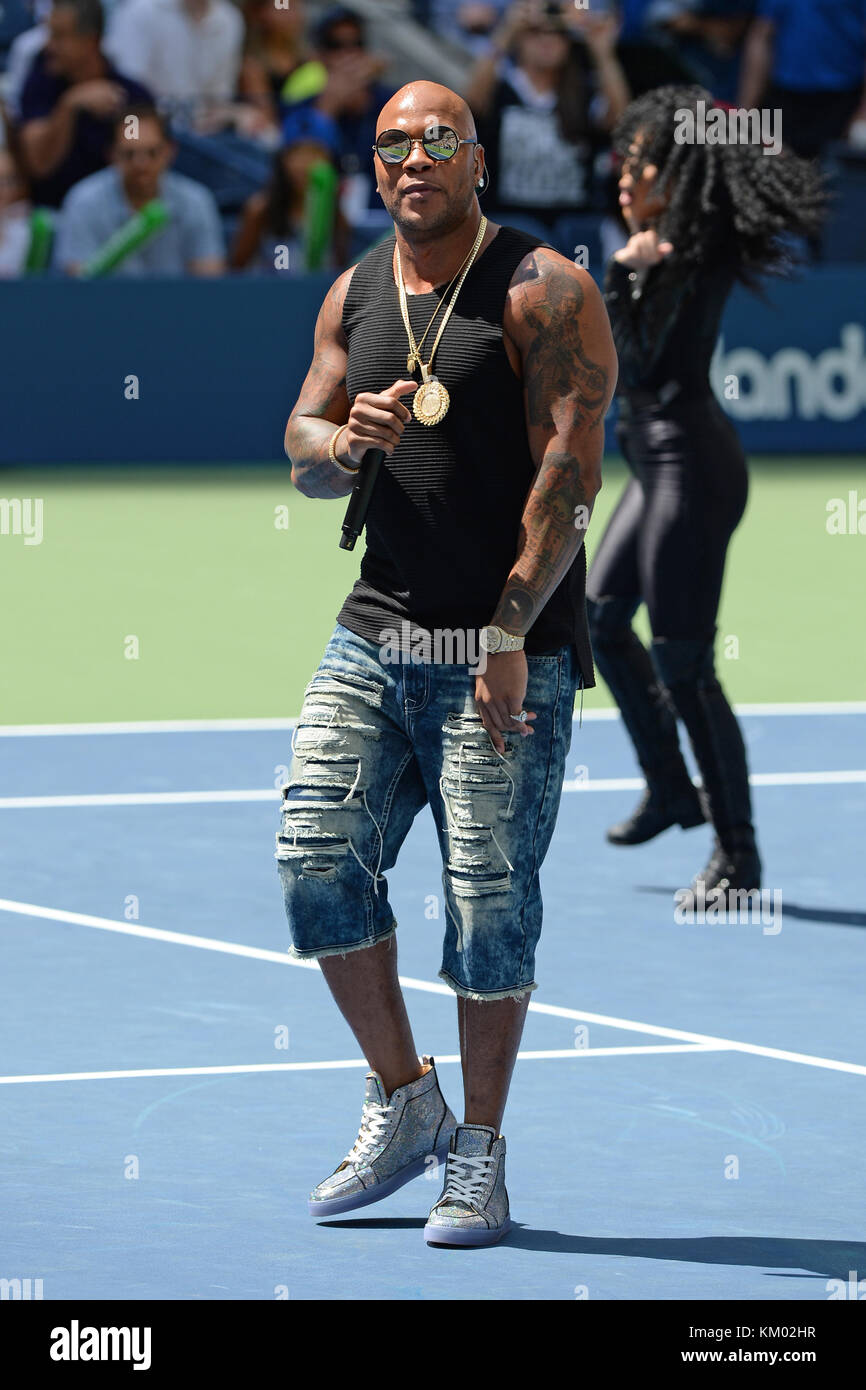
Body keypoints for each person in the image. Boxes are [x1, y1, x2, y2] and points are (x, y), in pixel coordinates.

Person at [279, 80, 616, 1246]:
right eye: (390, 145)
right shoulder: (355, 291)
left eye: (436, 140)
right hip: (376, 625)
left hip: (500, 644)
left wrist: (513, 631)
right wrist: (341, 435)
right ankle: (405, 1099)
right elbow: (301, 449)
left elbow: (570, 477)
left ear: (476, 159)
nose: (411, 159)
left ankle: (479, 1151)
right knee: (315, 860)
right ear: (372, 171)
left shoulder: (546, 290)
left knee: (485, 906)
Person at [585, 84, 824, 897]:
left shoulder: (686, 248)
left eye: (642, 163)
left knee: (685, 660)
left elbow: (640, 364)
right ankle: (670, 787)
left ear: (677, 174)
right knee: (600, 617)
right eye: (622, 162)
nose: (624, 177)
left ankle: (738, 857)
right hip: (656, 463)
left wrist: (620, 278)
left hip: (692, 465)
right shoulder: (656, 241)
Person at [465, 0, 630, 254]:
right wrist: (506, 31)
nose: (547, 40)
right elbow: (471, 104)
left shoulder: (582, 93)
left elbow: (621, 119)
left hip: (574, 218)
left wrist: (601, 50)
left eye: (558, 33)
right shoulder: (500, 88)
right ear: (519, 39)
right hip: (507, 216)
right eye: (535, 32)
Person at [56, 104, 225, 275]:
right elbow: (77, 284)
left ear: (169, 151)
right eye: (129, 154)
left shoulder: (196, 200)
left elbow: (208, 280)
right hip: (105, 301)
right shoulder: (84, 200)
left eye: (152, 152)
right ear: (112, 154)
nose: (141, 164)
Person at [17, 0, 152, 208]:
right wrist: (69, 105)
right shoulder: (40, 85)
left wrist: (125, 127)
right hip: (52, 215)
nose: (49, 45)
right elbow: (38, 164)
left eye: (59, 36)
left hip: (112, 216)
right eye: (50, 34)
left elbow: (136, 155)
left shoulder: (131, 98)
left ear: (91, 41)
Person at [738, 0, 866, 159]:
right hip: (784, 96)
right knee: (775, 167)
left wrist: (863, 110)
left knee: (832, 174)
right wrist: (746, 109)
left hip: (841, 98)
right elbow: (761, 37)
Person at [231, 106, 351, 273]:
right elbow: (236, 270)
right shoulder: (260, 210)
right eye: (296, 153)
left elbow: (339, 269)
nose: (304, 164)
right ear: (283, 160)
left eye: (315, 153)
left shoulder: (336, 214)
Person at [105, 0, 244, 131]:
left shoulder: (230, 20)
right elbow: (127, 96)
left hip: (201, 135)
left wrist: (235, 115)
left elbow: (219, 98)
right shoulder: (138, 13)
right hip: (145, 131)